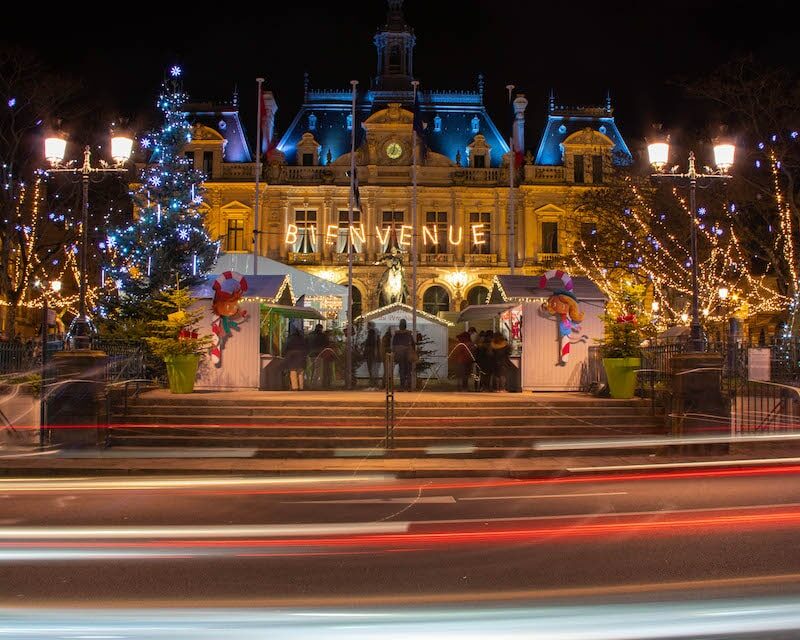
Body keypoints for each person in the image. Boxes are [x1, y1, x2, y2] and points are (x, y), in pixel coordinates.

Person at [391, 318, 416, 391]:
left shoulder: (397, 334)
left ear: (400, 326)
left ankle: (402, 387)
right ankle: (409, 387)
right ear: (405, 326)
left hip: (400, 354)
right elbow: (413, 344)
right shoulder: (409, 334)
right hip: (408, 354)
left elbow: (394, 344)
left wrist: (394, 352)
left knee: (401, 369)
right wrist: (413, 351)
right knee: (408, 370)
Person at [308, 323, 333, 389]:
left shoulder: (310, 335)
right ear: (321, 328)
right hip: (319, 354)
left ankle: (311, 382)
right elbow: (326, 344)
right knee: (318, 369)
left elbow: (306, 343)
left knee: (312, 369)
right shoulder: (322, 336)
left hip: (311, 354)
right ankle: (314, 384)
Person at [365, 322, 380, 389]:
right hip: (372, 351)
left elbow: (371, 342)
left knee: (370, 367)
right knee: (373, 367)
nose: (366, 326)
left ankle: (372, 381)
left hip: (370, 351)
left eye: (367, 325)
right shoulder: (375, 332)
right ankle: (373, 381)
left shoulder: (371, 332)